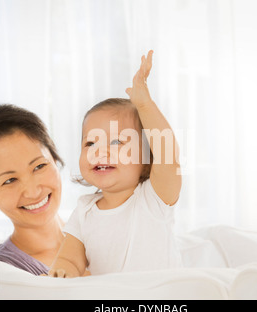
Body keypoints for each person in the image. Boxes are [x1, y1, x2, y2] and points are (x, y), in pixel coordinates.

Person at [48, 50, 183, 277]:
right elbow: (69, 258)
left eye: (116, 141)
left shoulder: (153, 199)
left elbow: (168, 154)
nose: (100, 150)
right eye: (90, 143)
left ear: (146, 158)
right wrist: (62, 272)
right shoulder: (84, 211)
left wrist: (145, 105)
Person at [0, 105, 72, 276]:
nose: (32, 192)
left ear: (54, 155)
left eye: (39, 166)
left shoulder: (106, 233)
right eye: (10, 180)